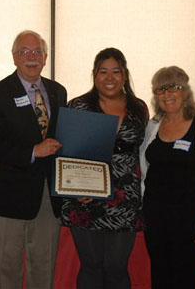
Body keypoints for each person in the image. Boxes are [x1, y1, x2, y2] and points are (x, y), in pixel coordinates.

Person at [0, 30, 67, 289]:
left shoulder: (58, 91)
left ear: (45, 57)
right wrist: (32, 151)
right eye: (25, 52)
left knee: (44, 266)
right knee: (8, 269)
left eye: (37, 51)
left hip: (47, 196)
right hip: (9, 195)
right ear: (14, 57)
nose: (32, 57)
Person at [60, 48, 148, 289]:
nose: (110, 78)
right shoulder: (78, 106)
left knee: (117, 268)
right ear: (94, 75)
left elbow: (145, 151)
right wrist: (75, 189)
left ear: (125, 75)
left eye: (116, 71)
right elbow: (65, 153)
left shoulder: (139, 108)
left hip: (125, 200)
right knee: (91, 266)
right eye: (103, 71)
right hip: (86, 199)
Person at [140, 66, 195, 289]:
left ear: (185, 91)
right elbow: (144, 170)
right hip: (155, 217)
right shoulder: (153, 126)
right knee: (160, 273)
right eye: (160, 89)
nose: (166, 94)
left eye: (173, 87)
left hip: (188, 218)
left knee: (186, 276)